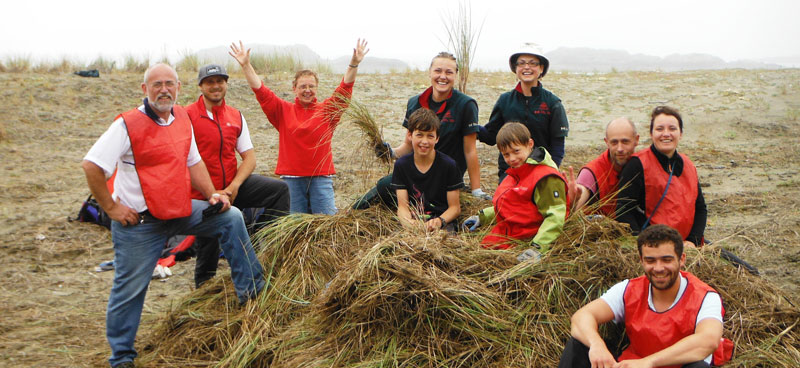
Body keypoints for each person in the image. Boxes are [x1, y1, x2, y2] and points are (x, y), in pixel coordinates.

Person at [81, 63, 264, 368]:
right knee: (130, 291)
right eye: (156, 84)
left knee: (230, 217)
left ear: (179, 87)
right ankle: (122, 358)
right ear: (145, 90)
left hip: (178, 212)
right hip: (139, 224)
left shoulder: (180, 118)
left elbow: (193, 162)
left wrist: (212, 196)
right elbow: (92, 165)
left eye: (169, 84)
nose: (163, 89)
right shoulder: (127, 125)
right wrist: (111, 208)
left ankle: (252, 296)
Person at [558, 224, 733, 368]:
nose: (658, 268)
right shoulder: (629, 289)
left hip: (672, 365)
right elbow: (581, 317)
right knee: (578, 345)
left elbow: (708, 341)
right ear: (641, 261)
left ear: (682, 259)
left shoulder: (705, 296)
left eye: (666, 260)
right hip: (632, 363)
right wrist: (596, 345)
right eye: (650, 261)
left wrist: (649, 362)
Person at [229, 39, 369, 214]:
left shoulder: (327, 110)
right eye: (303, 86)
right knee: (294, 227)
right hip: (291, 180)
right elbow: (261, 91)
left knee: (325, 224)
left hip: (321, 179)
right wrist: (246, 65)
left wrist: (354, 64)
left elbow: (345, 89)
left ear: (317, 88)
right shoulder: (282, 110)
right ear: (294, 88)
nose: (307, 90)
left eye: (311, 86)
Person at [186, 63, 290, 288]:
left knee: (279, 191)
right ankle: (202, 293)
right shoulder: (187, 116)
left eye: (220, 81)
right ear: (201, 86)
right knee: (208, 251)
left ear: (226, 84)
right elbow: (184, 161)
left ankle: (260, 243)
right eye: (210, 82)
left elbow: (249, 158)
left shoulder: (235, 116)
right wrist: (212, 192)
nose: (216, 86)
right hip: (204, 194)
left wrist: (234, 186)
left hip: (232, 187)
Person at [353, 51, 487, 209]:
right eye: (438, 71)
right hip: (416, 171)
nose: (442, 76)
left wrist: (476, 190)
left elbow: (470, 150)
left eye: (449, 72)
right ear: (430, 72)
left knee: (386, 186)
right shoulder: (415, 102)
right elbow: (409, 145)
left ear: (455, 75)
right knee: (378, 191)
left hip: (446, 175)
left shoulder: (466, 105)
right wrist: (390, 152)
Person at [463, 122, 569, 256]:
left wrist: (537, 248)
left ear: (530, 144)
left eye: (516, 151)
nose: (512, 158)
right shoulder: (516, 173)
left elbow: (555, 216)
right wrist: (482, 217)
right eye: (506, 154)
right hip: (508, 234)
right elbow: (511, 207)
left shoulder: (545, 178)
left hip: (527, 239)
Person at [615, 106, 707, 248]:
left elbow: (700, 208)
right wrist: (643, 243)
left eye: (672, 129)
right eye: (659, 129)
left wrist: (693, 241)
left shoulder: (689, 165)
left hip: (686, 245)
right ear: (651, 134)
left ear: (680, 133)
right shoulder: (637, 164)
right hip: (652, 246)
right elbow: (623, 210)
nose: (666, 134)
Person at [480, 43, 570, 182]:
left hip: (541, 170)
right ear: (515, 68)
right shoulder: (505, 101)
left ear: (541, 68)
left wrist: (551, 171)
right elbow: (491, 136)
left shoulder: (553, 103)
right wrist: (471, 126)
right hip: (510, 171)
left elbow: (558, 145)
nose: (527, 67)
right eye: (521, 63)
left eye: (533, 63)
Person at [392, 108, 463, 231]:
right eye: (419, 135)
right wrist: (409, 223)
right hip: (414, 218)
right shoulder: (401, 165)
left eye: (430, 136)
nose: (424, 142)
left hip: (441, 220)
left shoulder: (449, 165)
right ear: (410, 135)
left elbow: (455, 208)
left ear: (437, 138)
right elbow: (403, 206)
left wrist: (439, 221)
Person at [574, 117, 640, 216]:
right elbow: (576, 201)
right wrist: (573, 199)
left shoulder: (645, 166)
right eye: (614, 142)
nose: (620, 148)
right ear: (607, 142)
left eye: (625, 142)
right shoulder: (592, 172)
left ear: (636, 140)